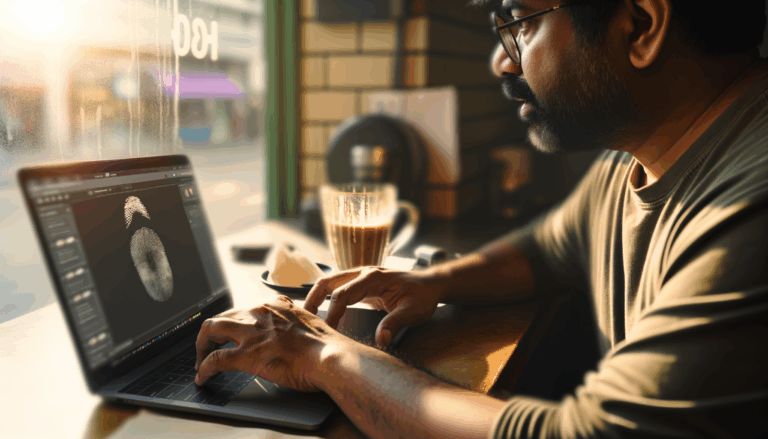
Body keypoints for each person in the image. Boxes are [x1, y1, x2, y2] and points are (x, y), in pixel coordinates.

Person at [194, 0, 768, 437]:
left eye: (521, 22)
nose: (502, 59)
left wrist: (326, 354)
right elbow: (546, 249)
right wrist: (432, 281)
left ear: (640, 26)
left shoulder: (750, 202)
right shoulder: (633, 160)